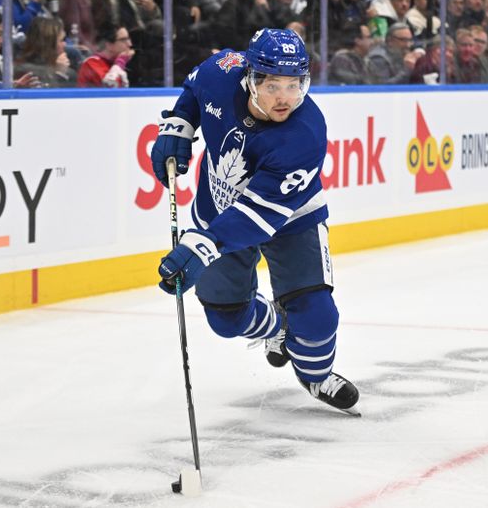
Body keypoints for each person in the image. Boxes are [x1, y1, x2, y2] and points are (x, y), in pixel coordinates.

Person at [151, 28, 360, 414]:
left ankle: (315, 376)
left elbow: (259, 215)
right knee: (225, 319)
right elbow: (195, 91)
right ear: (251, 78)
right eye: (274, 86)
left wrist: (203, 245)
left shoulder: (305, 134)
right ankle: (277, 330)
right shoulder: (221, 70)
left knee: (317, 319)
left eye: (295, 86)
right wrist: (179, 122)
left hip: (291, 219)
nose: (285, 98)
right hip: (216, 211)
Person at [15, 17, 77, 87]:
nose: (64, 44)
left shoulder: (68, 73)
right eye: (61, 40)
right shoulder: (24, 71)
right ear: (48, 44)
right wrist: (55, 72)